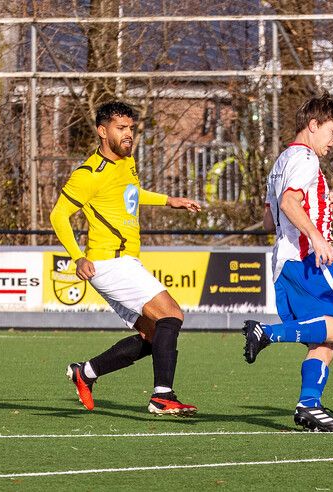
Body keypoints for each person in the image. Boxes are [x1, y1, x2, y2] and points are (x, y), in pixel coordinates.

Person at [50, 101, 201, 416]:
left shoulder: (125, 163)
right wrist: (77, 257)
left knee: (153, 335)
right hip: (109, 262)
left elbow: (131, 194)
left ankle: (86, 372)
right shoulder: (90, 173)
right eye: (121, 128)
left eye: (131, 128)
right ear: (102, 131)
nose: (129, 134)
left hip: (124, 262)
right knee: (171, 315)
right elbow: (59, 215)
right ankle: (162, 396)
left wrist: (168, 201)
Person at [242, 93, 333, 432]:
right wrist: (317, 236)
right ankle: (267, 333)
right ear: (313, 126)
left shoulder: (282, 161)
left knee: (322, 343)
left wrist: (323, 198)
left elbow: (270, 219)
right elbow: (290, 202)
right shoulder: (306, 158)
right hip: (307, 257)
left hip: (284, 259)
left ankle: (309, 406)